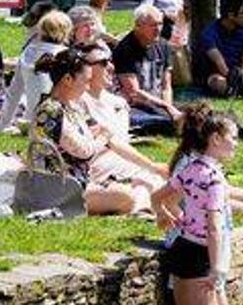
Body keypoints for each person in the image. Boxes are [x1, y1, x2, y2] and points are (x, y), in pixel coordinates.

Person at [29, 50, 163, 216]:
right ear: (68, 80)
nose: (87, 87)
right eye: (86, 81)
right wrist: (102, 136)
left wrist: (153, 166)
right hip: (56, 187)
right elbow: (83, 150)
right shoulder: (52, 110)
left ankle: (141, 208)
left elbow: (109, 139)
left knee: (140, 184)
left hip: (77, 182)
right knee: (125, 196)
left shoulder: (73, 107)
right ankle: (140, 208)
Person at [156, 107, 237, 305]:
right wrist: (217, 269)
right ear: (215, 139)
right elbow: (214, 228)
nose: (236, 143)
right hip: (201, 254)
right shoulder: (214, 179)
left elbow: (158, 197)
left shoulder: (191, 168)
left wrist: (167, 216)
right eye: (232, 137)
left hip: (181, 248)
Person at [0, 9, 72, 131]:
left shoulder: (28, 52)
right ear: (65, 32)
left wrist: (2, 126)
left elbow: (14, 93)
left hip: (31, 120)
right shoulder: (66, 56)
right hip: (57, 119)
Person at [112, 4, 180, 134]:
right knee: (152, 122)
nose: (158, 29)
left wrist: (169, 107)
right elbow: (134, 93)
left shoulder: (163, 45)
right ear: (138, 25)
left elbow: (166, 85)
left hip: (158, 103)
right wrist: (166, 107)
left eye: (160, 24)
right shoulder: (125, 49)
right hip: (136, 106)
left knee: (194, 115)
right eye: (153, 25)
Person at [197, 0, 243, 96]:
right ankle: (235, 90)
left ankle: (238, 89)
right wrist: (232, 78)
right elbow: (219, 62)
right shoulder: (209, 33)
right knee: (218, 83)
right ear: (231, 15)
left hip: (239, 71)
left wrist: (242, 74)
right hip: (217, 73)